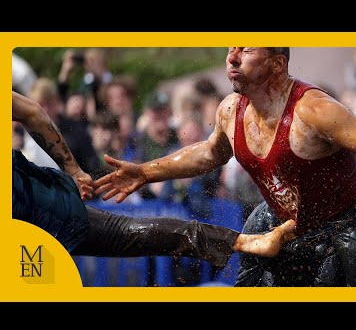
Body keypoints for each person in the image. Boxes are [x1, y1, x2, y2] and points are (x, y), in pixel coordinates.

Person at [94, 47, 356, 287]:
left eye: (246, 50)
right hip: (281, 221)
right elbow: (208, 154)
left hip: (347, 220)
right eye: (231, 49)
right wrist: (145, 171)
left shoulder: (313, 109)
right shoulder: (229, 110)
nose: (232, 58)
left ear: (277, 64)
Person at [12, 91, 296, 270]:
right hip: (35, 207)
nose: (233, 58)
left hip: (31, 204)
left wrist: (75, 171)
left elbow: (32, 112)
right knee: (129, 231)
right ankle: (242, 242)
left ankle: (243, 241)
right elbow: (33, 112)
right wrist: (73, 170)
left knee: (127, 231)